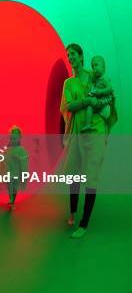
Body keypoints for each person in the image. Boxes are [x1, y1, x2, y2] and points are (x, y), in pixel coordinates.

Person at [60, 43, 117, 238]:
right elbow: (69, 106)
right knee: (73, 172)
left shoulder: (93, 75)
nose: (70, 57)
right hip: (78, 130)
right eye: (68, 55)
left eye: (73, 54)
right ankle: (73, 212)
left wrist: (101, 101)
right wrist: (87, 101)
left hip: (95, 131)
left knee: (91, 173)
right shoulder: (68, 83)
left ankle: (84, 223)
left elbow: (108, 92)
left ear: (81, 56)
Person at [81, 56, 113, 132]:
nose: (94, 68)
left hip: (104, 102)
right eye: (92, 66)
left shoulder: (105, 79)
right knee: (89, 107)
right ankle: (88, 125)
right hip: (98, 103)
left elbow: (109, 88)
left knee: (91, 107)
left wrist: (101, 91)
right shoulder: (96, 81)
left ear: (103, 67)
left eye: (96, 65)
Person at [4, 126, 28, 211]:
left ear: (20, 138)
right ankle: (11, 200)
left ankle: (12, 201)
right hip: (8, 172)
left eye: (15, 138)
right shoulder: (8, 148)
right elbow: (5, 159)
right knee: (9, 186)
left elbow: (24, 164)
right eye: (11, 138)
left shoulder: (21, 150)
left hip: (16, 173)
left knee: (14, 187)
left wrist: (24, 176)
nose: (13, 140)